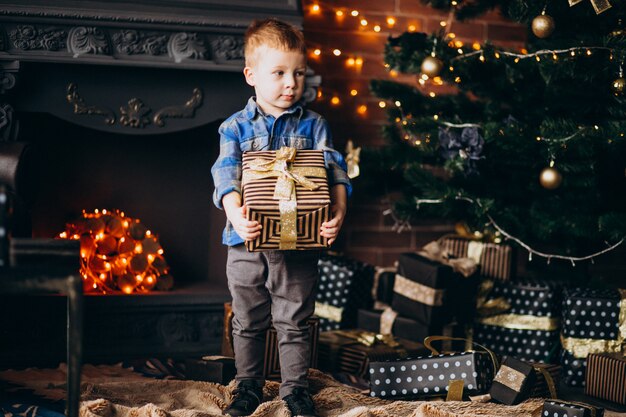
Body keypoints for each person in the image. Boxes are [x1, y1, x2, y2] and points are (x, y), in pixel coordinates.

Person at [211, 18, 352, 417]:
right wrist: (236, 214)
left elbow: (334, 172)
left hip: (299, 242)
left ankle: (295, 390)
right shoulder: (235, 127)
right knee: (247, 319)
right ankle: (248, 387)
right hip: (246, 241)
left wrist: (338, 210)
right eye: (279, 73)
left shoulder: (315, 126)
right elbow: (225, 174)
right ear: (251, 75)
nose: (291, 83)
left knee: (294, 320)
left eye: (299, 73)